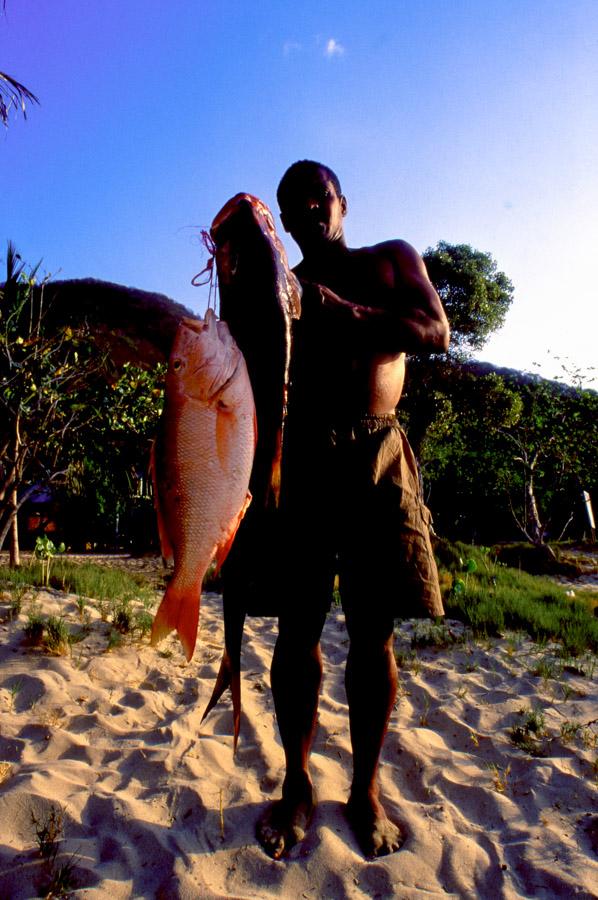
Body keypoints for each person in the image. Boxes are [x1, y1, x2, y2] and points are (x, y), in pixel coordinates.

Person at [256, 160, 450, 860]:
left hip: (377, 453)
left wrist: (346, 314)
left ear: (342, 204)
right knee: (297, 633)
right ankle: (297, 782)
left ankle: (365, 787)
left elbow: (434, 331)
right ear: (283, 218)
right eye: (293, 204)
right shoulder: (280, 285)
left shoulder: (388, 259)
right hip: (301, 459)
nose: (308, 208)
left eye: (319, 197)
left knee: (374, 636)